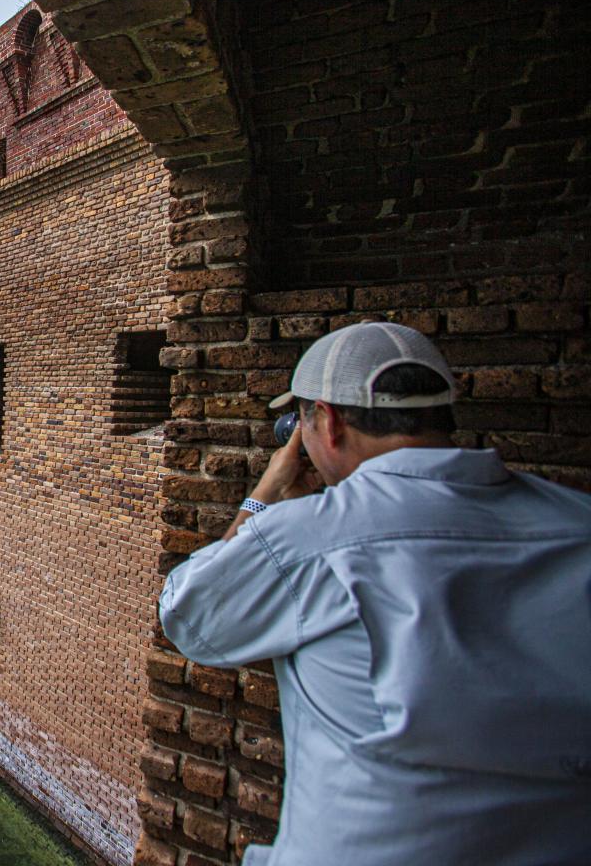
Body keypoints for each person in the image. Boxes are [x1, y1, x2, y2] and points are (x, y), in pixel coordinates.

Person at [158, 322, 591, 866]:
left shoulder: (312, 537)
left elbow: (188, 613)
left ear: (329, 422)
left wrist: (265, 497)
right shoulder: (577, 524)